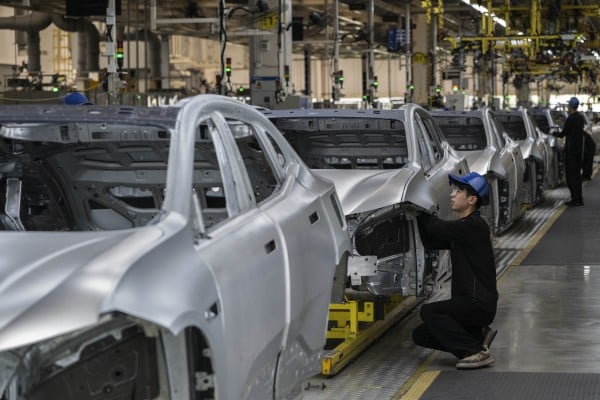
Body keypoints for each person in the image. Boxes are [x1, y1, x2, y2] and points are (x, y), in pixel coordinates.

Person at [412, 172, 498, 370]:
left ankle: (474, 352)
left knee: (428, 311)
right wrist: (420, 217)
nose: (452, 195)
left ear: (472, 199)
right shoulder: (464, 229)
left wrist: (419, 205)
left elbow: (436, 227)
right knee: (421, 335)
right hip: (469, 303)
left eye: (458, 191)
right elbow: (432, 240)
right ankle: (477, 338)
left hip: (477, 304)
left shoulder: (475, 226)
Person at [553, 97, 585, 206]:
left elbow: (563, 133)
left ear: (571, 106)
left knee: (571, 176)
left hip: (571, 152)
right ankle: (578, 198)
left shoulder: (570, 119)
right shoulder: (580, 118)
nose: (567, 107)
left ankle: (575, 199)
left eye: (568, 105)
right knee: (577, 175)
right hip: (578, 151)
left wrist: (553, 133)